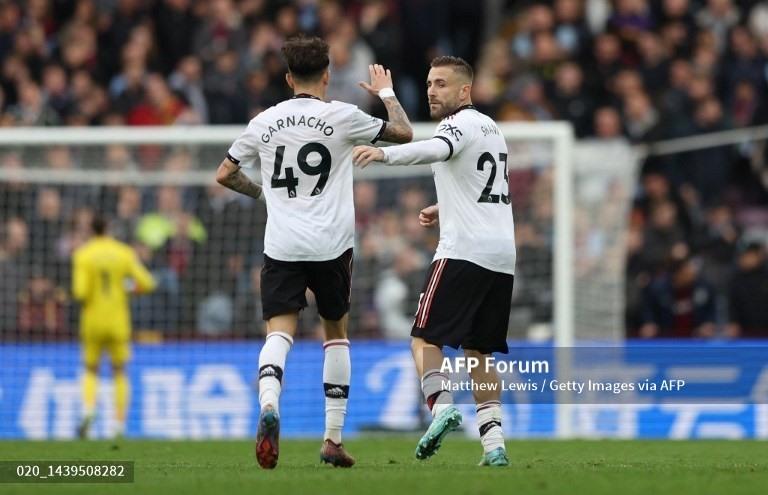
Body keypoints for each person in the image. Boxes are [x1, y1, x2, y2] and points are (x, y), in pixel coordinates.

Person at [215, 35, 412, 469]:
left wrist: (263, 195)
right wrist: (386, 94)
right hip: (331, 245)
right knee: (336, 333)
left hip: (283, 243)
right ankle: (333, 439)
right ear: (328, 75)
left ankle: (269, 403)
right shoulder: (341, 116)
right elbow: (403, 133)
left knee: (278, 334)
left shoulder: (264, 121)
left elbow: (225, 174)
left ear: (288, 78)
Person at [352, 56, 515, 467]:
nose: (431, 90)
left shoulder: (455, 125)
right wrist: (445, 205)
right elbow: (481, 186)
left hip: (464, 250)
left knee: (423, 339)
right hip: (501, 256)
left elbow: (433, 149)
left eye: (441, 84)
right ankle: (494, 446)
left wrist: (384, 155)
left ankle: (442, 408)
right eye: (428, 83)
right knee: (478, 353)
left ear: (465, 91)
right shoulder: (493, 130)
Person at [72, 215, 156, 440]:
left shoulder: (83, 254)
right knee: (119, 371)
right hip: (118, 321)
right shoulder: (124, 252)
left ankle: (89, 411)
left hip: (92, 321)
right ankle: (118, 425)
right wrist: (126, 288)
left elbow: (80, 292)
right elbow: (148, 283)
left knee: (91, 369)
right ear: (108, 228)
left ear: (91, 229)